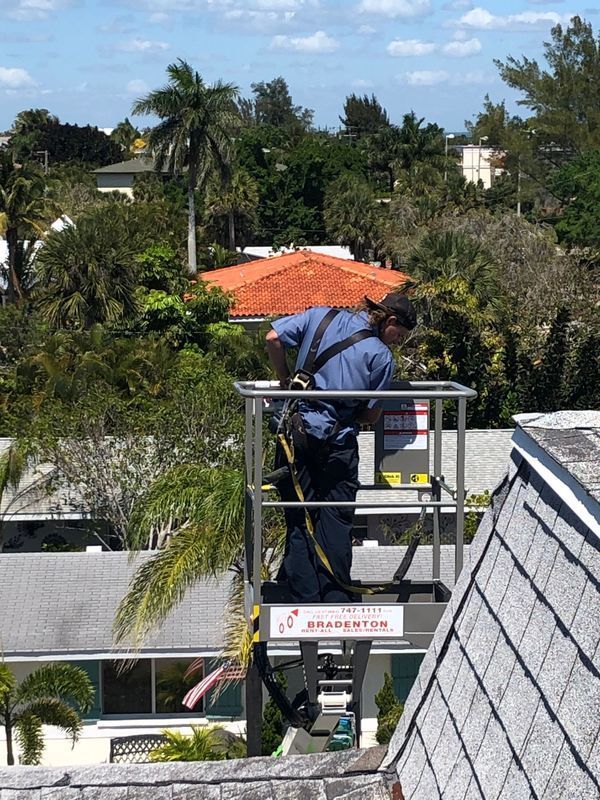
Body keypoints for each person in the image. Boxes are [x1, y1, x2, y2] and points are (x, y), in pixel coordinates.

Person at [265, 291, 417, 603]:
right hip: (337, 444)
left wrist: (284, 380)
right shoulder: (380, 357)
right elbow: (371, 414)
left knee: (298, 518)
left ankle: (303, 599)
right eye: (398, 336)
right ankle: (334, 597)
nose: (396, 343)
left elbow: (272, 338)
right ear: (389, 321)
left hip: (294, 434)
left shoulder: (320, 316)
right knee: (335, 520)